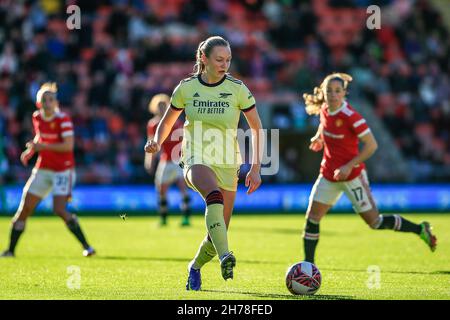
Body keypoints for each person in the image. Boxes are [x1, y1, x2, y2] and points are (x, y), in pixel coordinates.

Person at [144, 36, 263, 290]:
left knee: (217, 231)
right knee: (213, 196)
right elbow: (166, 122)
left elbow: (256, 128)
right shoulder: (186, 88)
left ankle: (195, 266)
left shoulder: (238, 88)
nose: (225, 64)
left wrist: (255, 167)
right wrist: (156, 141)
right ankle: (225, 256)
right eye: (219, 59)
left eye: (228, 60)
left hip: (228, 162)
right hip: (195, 157)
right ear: (203, 59)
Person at [302, 73, 437, 264]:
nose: (333, 95)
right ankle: (308, 266)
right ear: (323, 92)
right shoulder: (325, 109)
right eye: (329, 91)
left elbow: (372, 145)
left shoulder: (352, 117)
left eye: (337, 91)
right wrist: (319, 138)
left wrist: (349, 166)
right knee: (313, 217)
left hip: (352, 177)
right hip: (328, 175)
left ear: (344, 93)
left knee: (375, 222)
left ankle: (420, 229)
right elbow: (325, 125)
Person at [0, 83, 95, 258]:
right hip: (43, 168)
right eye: (44, 99)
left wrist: (41, 146)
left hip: (62, 171)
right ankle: (10, 250)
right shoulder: (37, 117)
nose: (47, 102)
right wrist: (31, 151)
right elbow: (40, 137)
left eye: (51, 99)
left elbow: (68, 146)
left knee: (59, 209)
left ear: (56, 102)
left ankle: (87, 246)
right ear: (38, 103)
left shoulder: (63, 119)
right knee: (25, 208)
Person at [145, 93, 191, 226]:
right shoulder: (153, 125)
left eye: (163, 105)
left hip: (178, 160)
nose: (161, 108)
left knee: (183, 188)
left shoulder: (176, 122)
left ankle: (186, 217)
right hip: (165, 160)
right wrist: (149, 160)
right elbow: (150, 143)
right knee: (161, 189)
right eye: (159, 106)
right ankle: (164, 217)